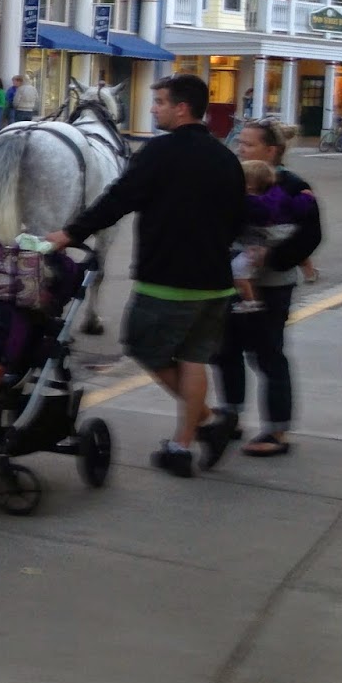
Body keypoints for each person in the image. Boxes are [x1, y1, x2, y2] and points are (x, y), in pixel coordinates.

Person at [44, 73, 246, 477]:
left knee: (142, 346)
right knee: (192, 359)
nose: (153, 109)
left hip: (167, 280)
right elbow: (237, 217)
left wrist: (69, 234)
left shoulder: (160, 152)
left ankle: (206, 420)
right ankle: (182, 445)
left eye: (160, 103)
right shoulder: (226, 157)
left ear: (181, 107)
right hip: (214, 283)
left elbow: (119, 199)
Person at [217, 117, 323, 457]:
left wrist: (272, 257)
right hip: (233, 279)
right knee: (225, 349)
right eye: (240, 142)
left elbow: (311, 235)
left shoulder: (292, 185)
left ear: (271, 150)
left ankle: (278, 431)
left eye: (248, 144)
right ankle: (230, 414)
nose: (240, 148)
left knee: (267, 353)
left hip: (273, 285)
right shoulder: (235, 179)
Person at [230, 159, 311, 314]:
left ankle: (250, 301)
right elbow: (295, 206)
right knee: (246, 273)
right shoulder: (277, 194)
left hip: (263, 243)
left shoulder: (251, 202)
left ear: (249, 185)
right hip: (277, 237)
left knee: (237, 271)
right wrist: (307, 198)